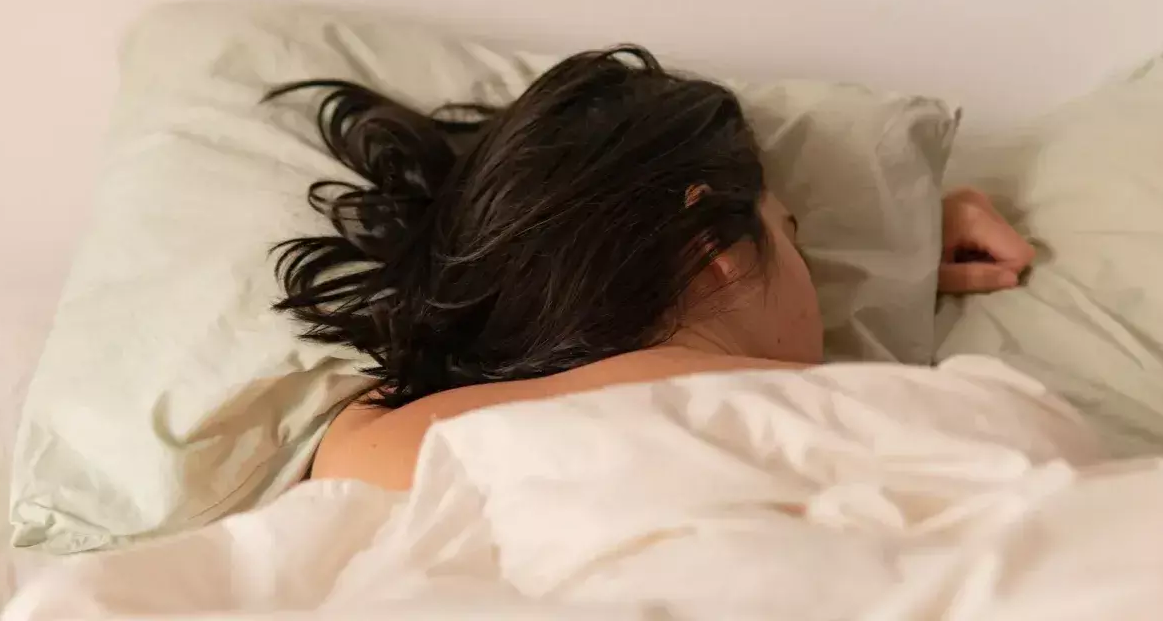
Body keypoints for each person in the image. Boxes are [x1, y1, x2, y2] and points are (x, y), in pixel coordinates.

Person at [267, 46, 1036, 491]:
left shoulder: (371, 444)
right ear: (714, 245)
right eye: (793, 238)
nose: (815, 281)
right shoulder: (865, 418)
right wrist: (898, 235)